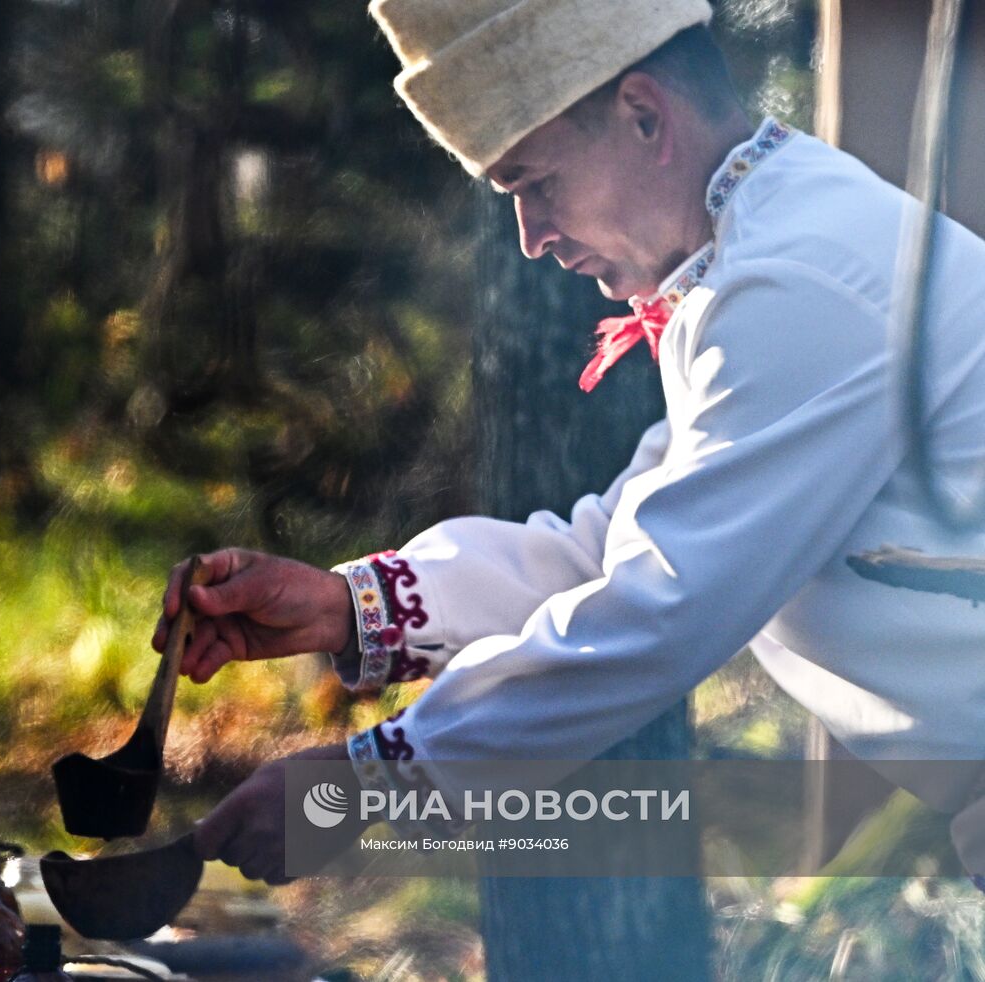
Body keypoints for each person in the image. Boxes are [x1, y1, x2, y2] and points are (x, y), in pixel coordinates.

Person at [155, 0, 985, 887]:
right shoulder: (767, 249)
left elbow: (661, 608)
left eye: (534, 184)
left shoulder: (797, 278)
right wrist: (343, 604)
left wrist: (373, 780)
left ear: (643, 115)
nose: (533, 237)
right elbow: (614, 547)